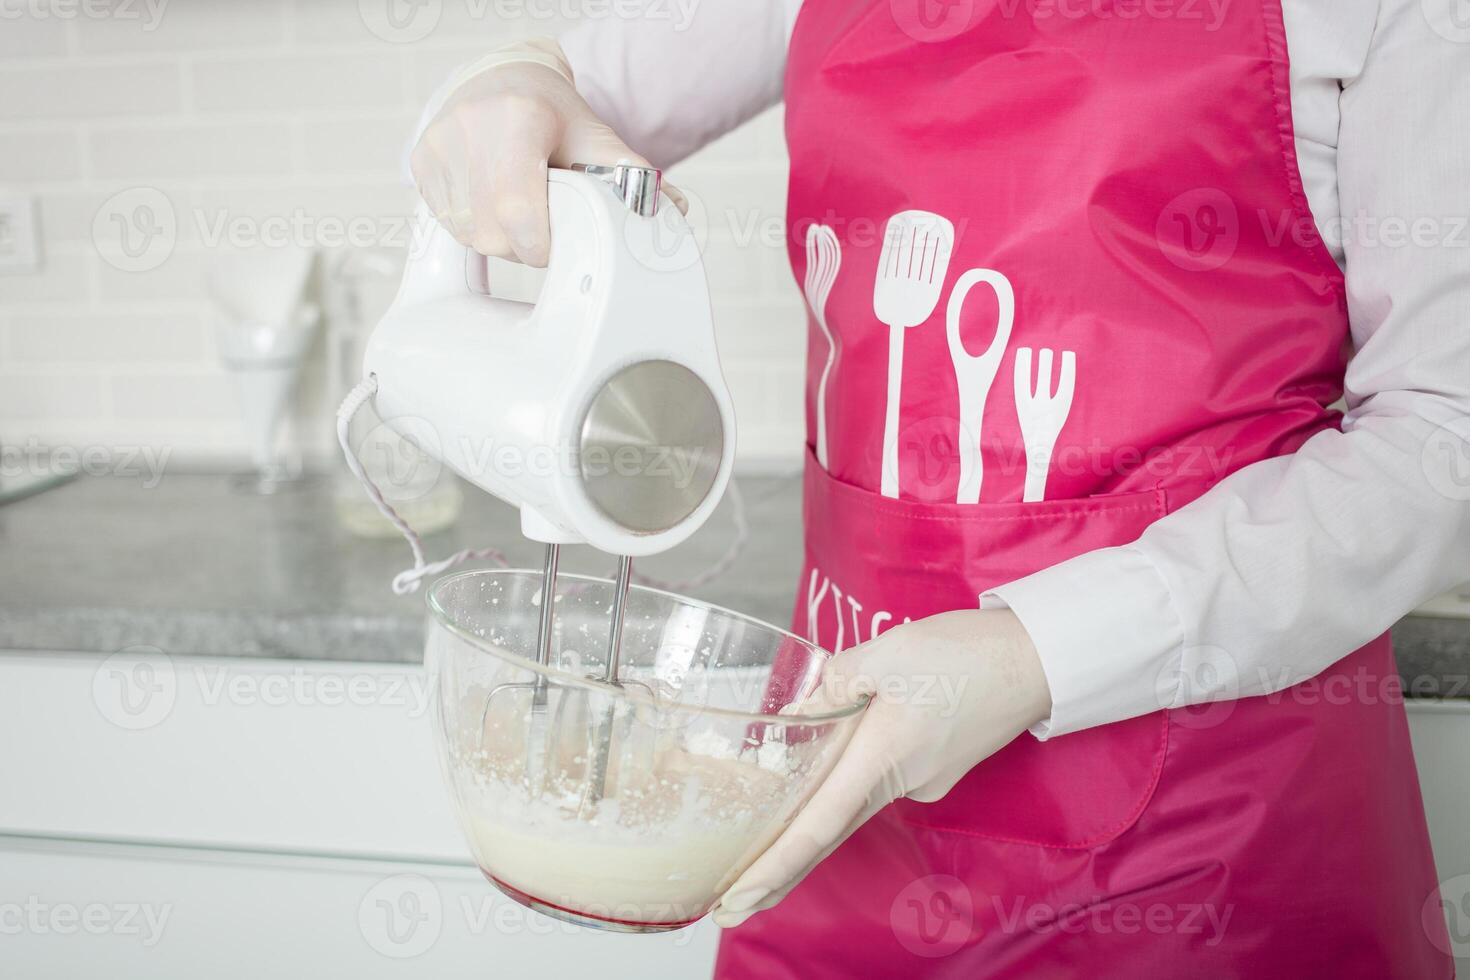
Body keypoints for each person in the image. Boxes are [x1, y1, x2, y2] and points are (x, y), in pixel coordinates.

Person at [408, 2, 1469, 975]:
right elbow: (551, 108)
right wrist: (512, 84)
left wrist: (1029, 653)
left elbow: (1441, 435)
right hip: (835, 804)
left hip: (1211, 846)